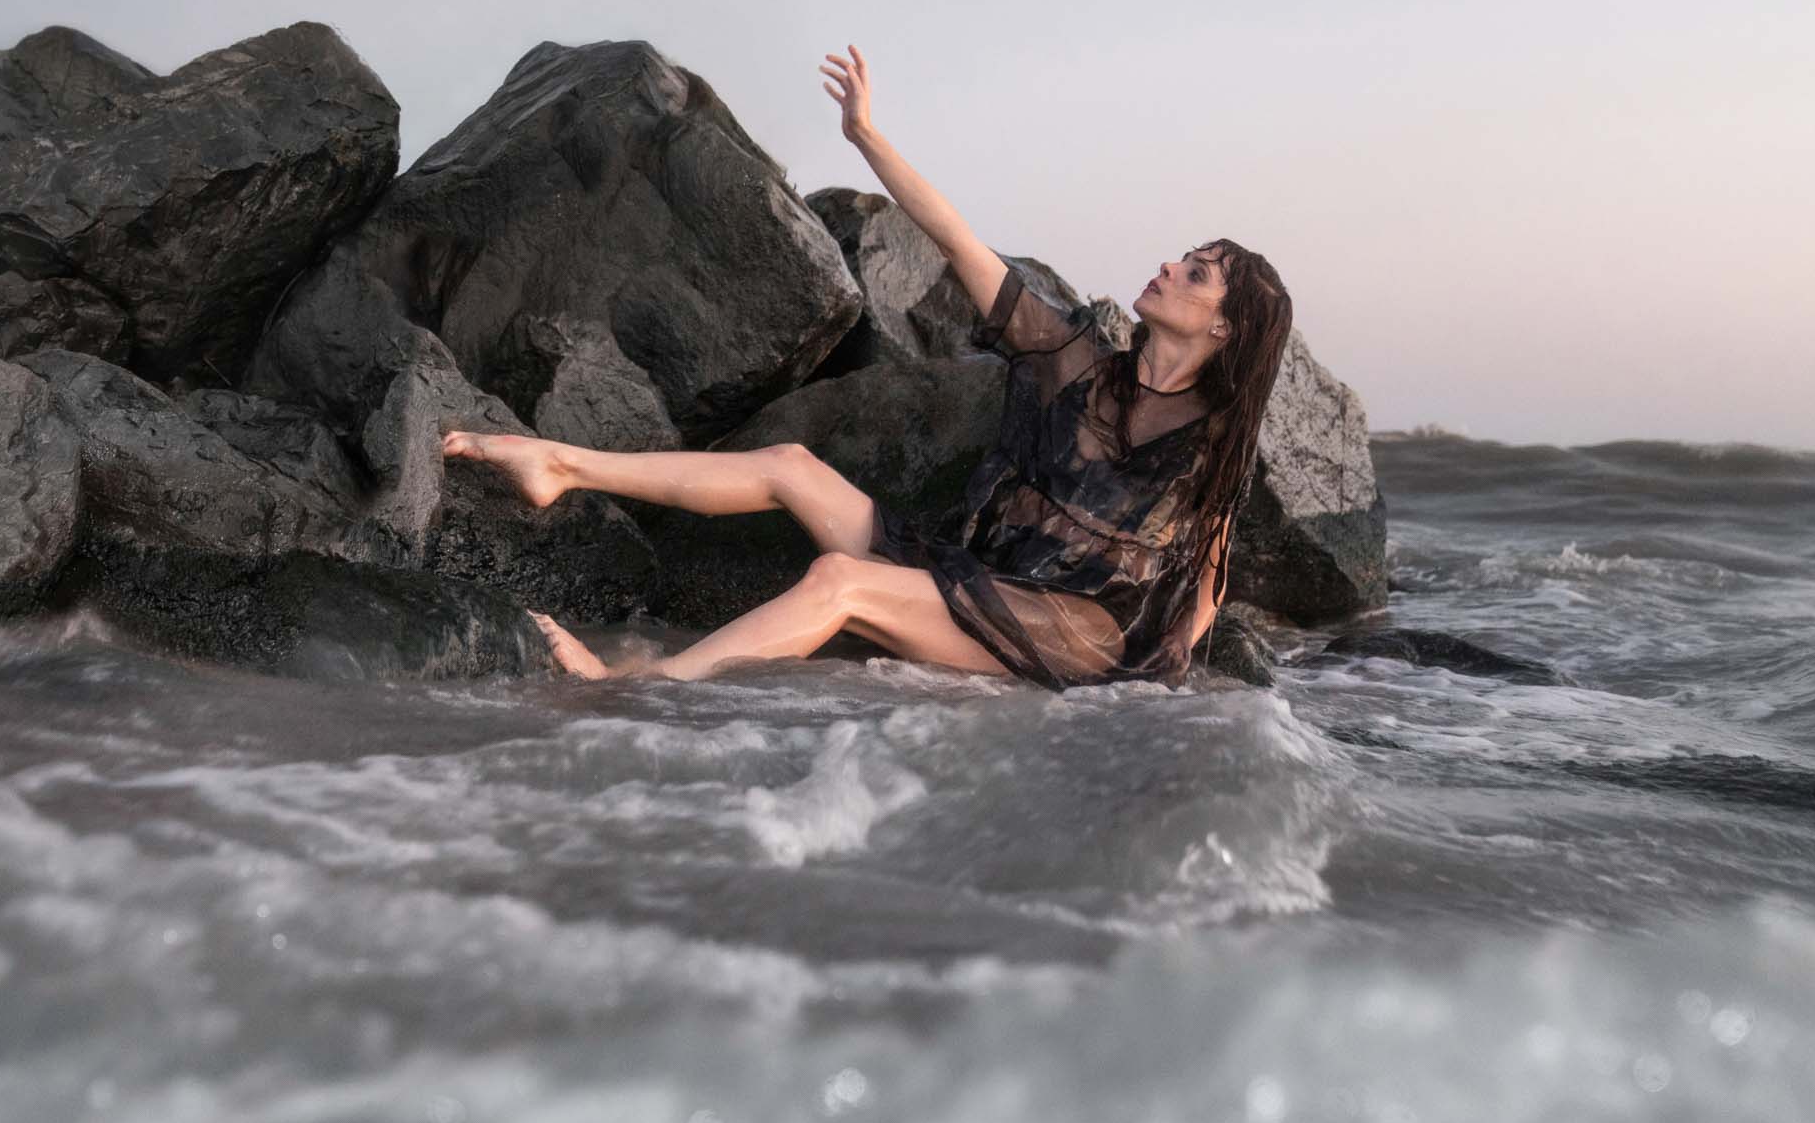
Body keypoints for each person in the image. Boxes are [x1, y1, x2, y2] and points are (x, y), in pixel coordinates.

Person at [440, 43, 1294, 687]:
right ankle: (559, 465)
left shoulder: (1212, 436)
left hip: (1069, 636)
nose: (1168, 269)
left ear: (1225, 327)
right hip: (988, 576)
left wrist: (1169, 676)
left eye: (1195, 273)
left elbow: (1206, 567)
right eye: (1181, 257)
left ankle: (643, 688)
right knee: (789, 466)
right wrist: (865, 137)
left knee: (841, 581)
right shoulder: (1072, 360)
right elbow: (958, 240)